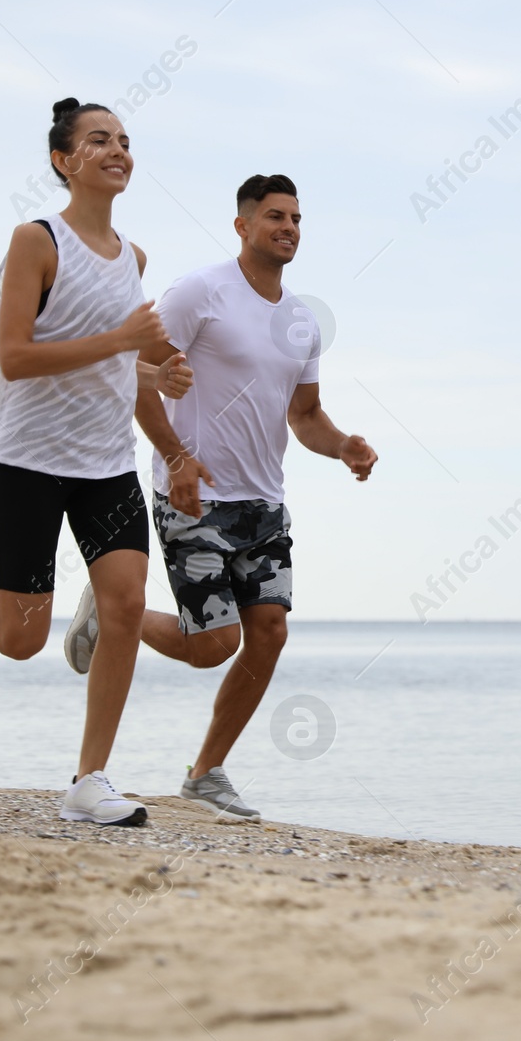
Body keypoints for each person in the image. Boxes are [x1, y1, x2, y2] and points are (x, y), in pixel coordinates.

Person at [0, 99, 190, 826]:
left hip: (106, 462)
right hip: (27, 457)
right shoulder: (36, 241)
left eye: (124, 140)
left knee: (122, 603)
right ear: (64, 160)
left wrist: (160, 396)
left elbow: (114, 366)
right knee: (22, 639)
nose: (117, 150)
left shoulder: (135, 258)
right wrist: (124, 340)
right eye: (99, 140)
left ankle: (91, 780)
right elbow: (16, 358)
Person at [63, 174, 377, 821]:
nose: (288, 227)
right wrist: (176, 457)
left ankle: (205, 772)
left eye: (295, 217)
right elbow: (133, 371)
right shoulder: (200, 292)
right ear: (242, 225)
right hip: (194, 493)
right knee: (213, 645)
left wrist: (343, 443)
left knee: (269, 634)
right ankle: (108, 614)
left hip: (264, 503)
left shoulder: (301, 322)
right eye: (274, 216)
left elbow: (306, 413)